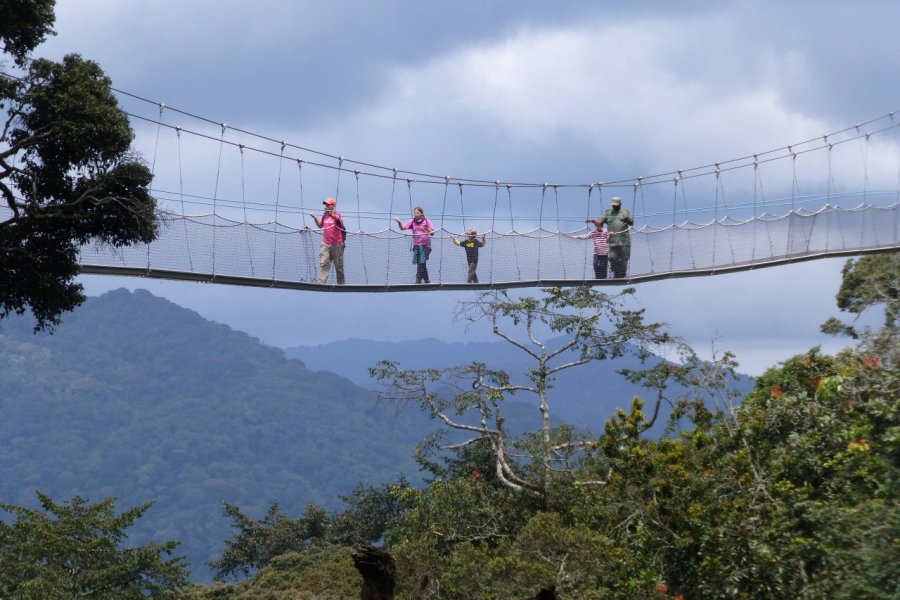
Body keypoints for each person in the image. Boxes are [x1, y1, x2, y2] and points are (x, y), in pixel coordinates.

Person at [309, 197, 346, 284]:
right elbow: (320, 225)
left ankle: (341, 284)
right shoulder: (325, 215)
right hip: (326, 243)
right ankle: (321, 282)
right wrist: (315, 218)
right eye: (325, 204)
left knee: (339, 266)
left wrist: (330, 214)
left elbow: (339, 221)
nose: (326, 206)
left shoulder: (337, 214)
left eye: (328, 205)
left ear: (333, 206)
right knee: (324, 263)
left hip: (337, 244)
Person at [394, 207, 435, 283]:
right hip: (416, 246)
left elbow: (432, 233)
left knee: (421, 261)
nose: (415, 214)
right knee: (420, 262)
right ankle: (426, 279)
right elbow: (402, 228)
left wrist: (427, 229)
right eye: (415, 213)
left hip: (426, 245)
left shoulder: (427, 221)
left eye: (417, 213)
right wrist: (399, 222)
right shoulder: (412, 221)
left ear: (421, 213)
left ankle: (418, 279)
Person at [598, 196, 633, 278]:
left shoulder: (625, 211)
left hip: (624, 240)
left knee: (624, 258)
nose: (614, 206)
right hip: (612, 240)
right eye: (613, 205)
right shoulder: (608, 213)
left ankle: (622, 274)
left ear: (620, 204)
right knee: (611, 257)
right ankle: (616, 272)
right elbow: (600, 223)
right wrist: (595, 222)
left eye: (616, 205)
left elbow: (631, 223)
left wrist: (627, 219)